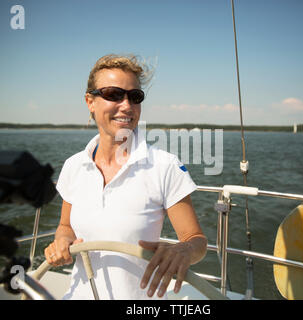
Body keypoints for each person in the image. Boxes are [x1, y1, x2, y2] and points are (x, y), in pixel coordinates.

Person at [44, 54, 207, 300]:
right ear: (90, 101)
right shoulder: (74, 166)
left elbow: (196, 240)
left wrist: (184, 250)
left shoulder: (165, 166)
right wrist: (62, 242)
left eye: (135, 96)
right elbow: (65, 226)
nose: (127, 105)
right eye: (113, 94)